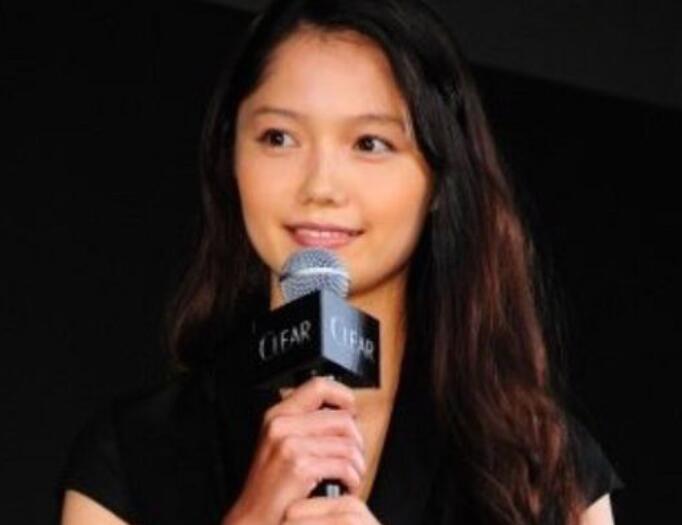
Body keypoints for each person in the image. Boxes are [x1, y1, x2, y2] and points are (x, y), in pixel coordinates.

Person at [60, 0, 622, 523]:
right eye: (279, 137)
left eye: (370, 144)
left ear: (440, 177)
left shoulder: (538, 460)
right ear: (229, 155)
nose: (320, 187)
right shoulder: (132, 455)